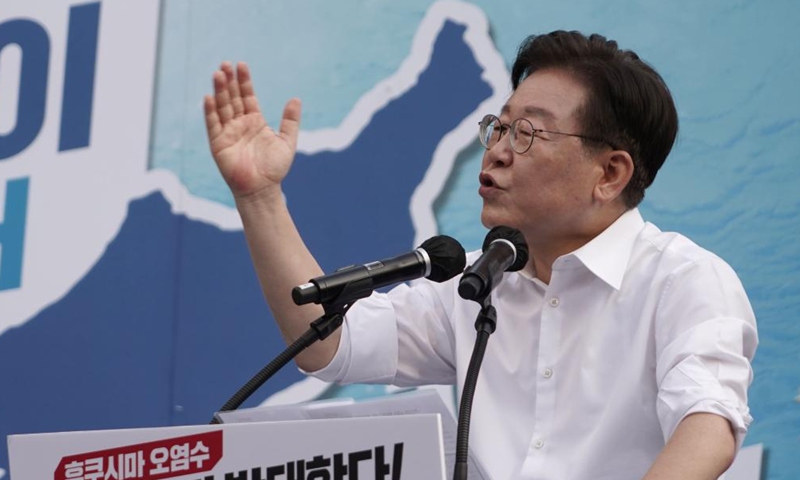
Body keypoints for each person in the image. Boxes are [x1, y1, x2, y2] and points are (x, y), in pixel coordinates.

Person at [204, 30, 757, 480]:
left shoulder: (682, 279)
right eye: (498, 125)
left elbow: (708, 425)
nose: (495, 148)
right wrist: (259, 196)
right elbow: (329, 344)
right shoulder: (475, 282)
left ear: (609, 174)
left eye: (526, 132)